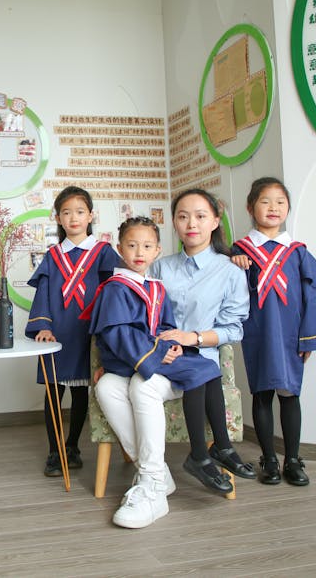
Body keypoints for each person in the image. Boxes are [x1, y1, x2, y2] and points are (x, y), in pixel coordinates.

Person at [85, 217, 223, 529]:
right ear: (119, 249)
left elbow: (164, 328)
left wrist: (171, 346)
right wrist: (158, 352)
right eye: (131, 245)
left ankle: (152, 485)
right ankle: (157, 473)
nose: (138, 252)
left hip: (158, 368)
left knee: (140, 386)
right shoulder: (115, 289)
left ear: (157, 250)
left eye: (147, 246)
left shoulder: (157, 289)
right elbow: (118, 335)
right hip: (145, 361)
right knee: (106, 386)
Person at [230, 177, 316, 486]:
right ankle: (269, 459)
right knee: (261, 394)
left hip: (290, 335)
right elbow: (229, 291)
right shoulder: (240, 251)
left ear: (288, 208)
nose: (273, 207)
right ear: (250, 207)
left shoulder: (297, 251)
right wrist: (233, 265)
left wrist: (309, 337)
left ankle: (292, 459)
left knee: (290, 395)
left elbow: (313, 295)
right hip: (258, 333)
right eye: (265, 201)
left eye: (280, 202)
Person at [149, 188, 253, 490]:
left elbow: (234, 329)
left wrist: (193, 337)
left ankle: (213, 451)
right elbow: (145, 314)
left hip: (202, 353)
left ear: (215, 221)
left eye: (200, 216)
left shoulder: (230, 270)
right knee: (202, 369)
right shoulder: (160, 267)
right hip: (165, 354)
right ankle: (217, 449)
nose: (191, 223)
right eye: (182, 217)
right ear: (174, 223)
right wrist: (170, 341)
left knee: (203, 364)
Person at [25, 186, 118, 476]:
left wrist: (107, 330)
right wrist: (43, 326)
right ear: (58, 218)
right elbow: (43, 295)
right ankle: (54, 453)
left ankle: (72, 446)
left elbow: (114, 292)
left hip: (88, 334)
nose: (73, 217)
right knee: (53, 393)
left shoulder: (103, 252)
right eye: (66, 212)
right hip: (56, 335)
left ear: (91, 215)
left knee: (81, 394)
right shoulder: (53, 256)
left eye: (79, 211)